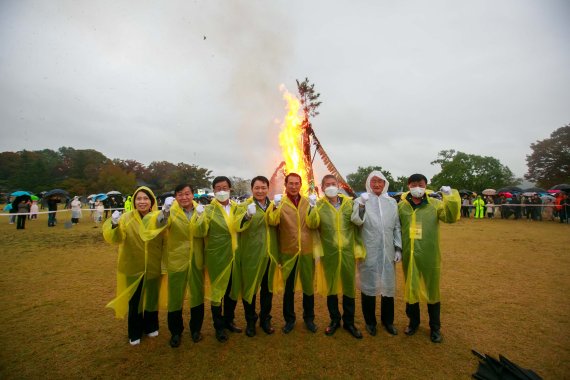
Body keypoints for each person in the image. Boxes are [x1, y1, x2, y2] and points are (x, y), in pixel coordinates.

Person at [141, 184, 205, 348]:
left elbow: (204, 231)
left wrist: (201, 218)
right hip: (177, 260)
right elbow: (160, 225)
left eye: (187, 193)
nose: (184, 197)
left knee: (197, 295)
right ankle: (176, 332)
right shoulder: (172, 211)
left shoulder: (202, 209)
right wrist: (165, 211)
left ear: (192, 195)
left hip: (196, 259)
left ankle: (196, 330)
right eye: (180, 194)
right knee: (175, 298)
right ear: (176, 197)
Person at [398, 174, 460, 343]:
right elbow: (395, 229)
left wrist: (450, 197)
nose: (417, 187)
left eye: (420, 184)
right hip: (409, 256)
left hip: (429, 255)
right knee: (411, 290)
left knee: (432, 291)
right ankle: (413, 323)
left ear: (426, 186)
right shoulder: (402, 207)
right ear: (408, 186)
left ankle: (435, 328)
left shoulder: (434, 204)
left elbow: (451, 217)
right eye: (413, 184)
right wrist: (397, 249)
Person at [103, 186, 165, 346]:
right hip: (133, 265)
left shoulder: (157, 217)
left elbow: (166, 231)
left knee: (151, 297)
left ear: (151, 201)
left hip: (153, 265)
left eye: (146, 198)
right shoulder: (126, 218)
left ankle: (151, 326)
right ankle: (135, 331)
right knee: (135, 300)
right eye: (139, 198)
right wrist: (115, 225)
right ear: (134, 201)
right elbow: (116, 238)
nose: (142, 201)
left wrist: (167, 213)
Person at [307, 174, 365, 339]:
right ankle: (334, 320)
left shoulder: (349, 203)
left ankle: (349, 322)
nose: (331, 186)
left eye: (333, 183)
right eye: (327, 184)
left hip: (347, 252)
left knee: (348, 287)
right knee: (331, 287)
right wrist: (311, 207)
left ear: (338, 185)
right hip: (329, 253)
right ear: (323, 187)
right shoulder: (319, 205)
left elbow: (358, 222)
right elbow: (312, 224)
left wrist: (361, 206)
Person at [351, 171, 402, 337]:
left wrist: (398, 248)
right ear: (368, 183)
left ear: (385, 183)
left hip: (387, 251)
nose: (377, 185)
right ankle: (370, 322)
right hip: (369, 249)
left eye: (380, 182)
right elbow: (356, 221)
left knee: (388, 286)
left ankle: (388, 321)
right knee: (369, 286)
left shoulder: (392, 202)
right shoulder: (361, 200)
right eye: (374, 182)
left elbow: (396, 227)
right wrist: (362, 206)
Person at [267, 172, 317, 334]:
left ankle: (309, 319)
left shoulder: (307, 202)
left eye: (297, 183)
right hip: (288, 252)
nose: (294, 186)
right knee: (289, 289)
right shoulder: (280, 202)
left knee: (308, 287)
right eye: (291, 183)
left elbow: (315, 224)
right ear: (286, 185)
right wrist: (274, 206)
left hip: (307, 251)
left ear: (300, 185)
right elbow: (272, 221)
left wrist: (314, 208)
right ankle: (289, 320)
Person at [193, 176, 242, 343]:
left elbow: (243, 226)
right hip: (217, 257)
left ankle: (229, 320)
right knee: (217, 292)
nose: (222, 191)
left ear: (230, 190)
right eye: (218, 188)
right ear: (213, 191)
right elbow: (199, 232)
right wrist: (199, 218)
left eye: (225, 188)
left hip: (235, 255)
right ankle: (218, 326)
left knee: (232, 290)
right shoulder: (208, 210)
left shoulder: (237, 207)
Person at [234, 176, 279, 337]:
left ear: (268, 188)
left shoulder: (274, 205)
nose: (260, 191)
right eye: (257, 188)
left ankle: (265, 320)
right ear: (252, 189)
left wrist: (276, 209)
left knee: (267, 290)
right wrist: (246, 216)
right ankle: (251, 321)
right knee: (250, 289)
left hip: (270, 254)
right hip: (251, 255)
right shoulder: (245, 206)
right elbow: (236, 226)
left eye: (263, 187)